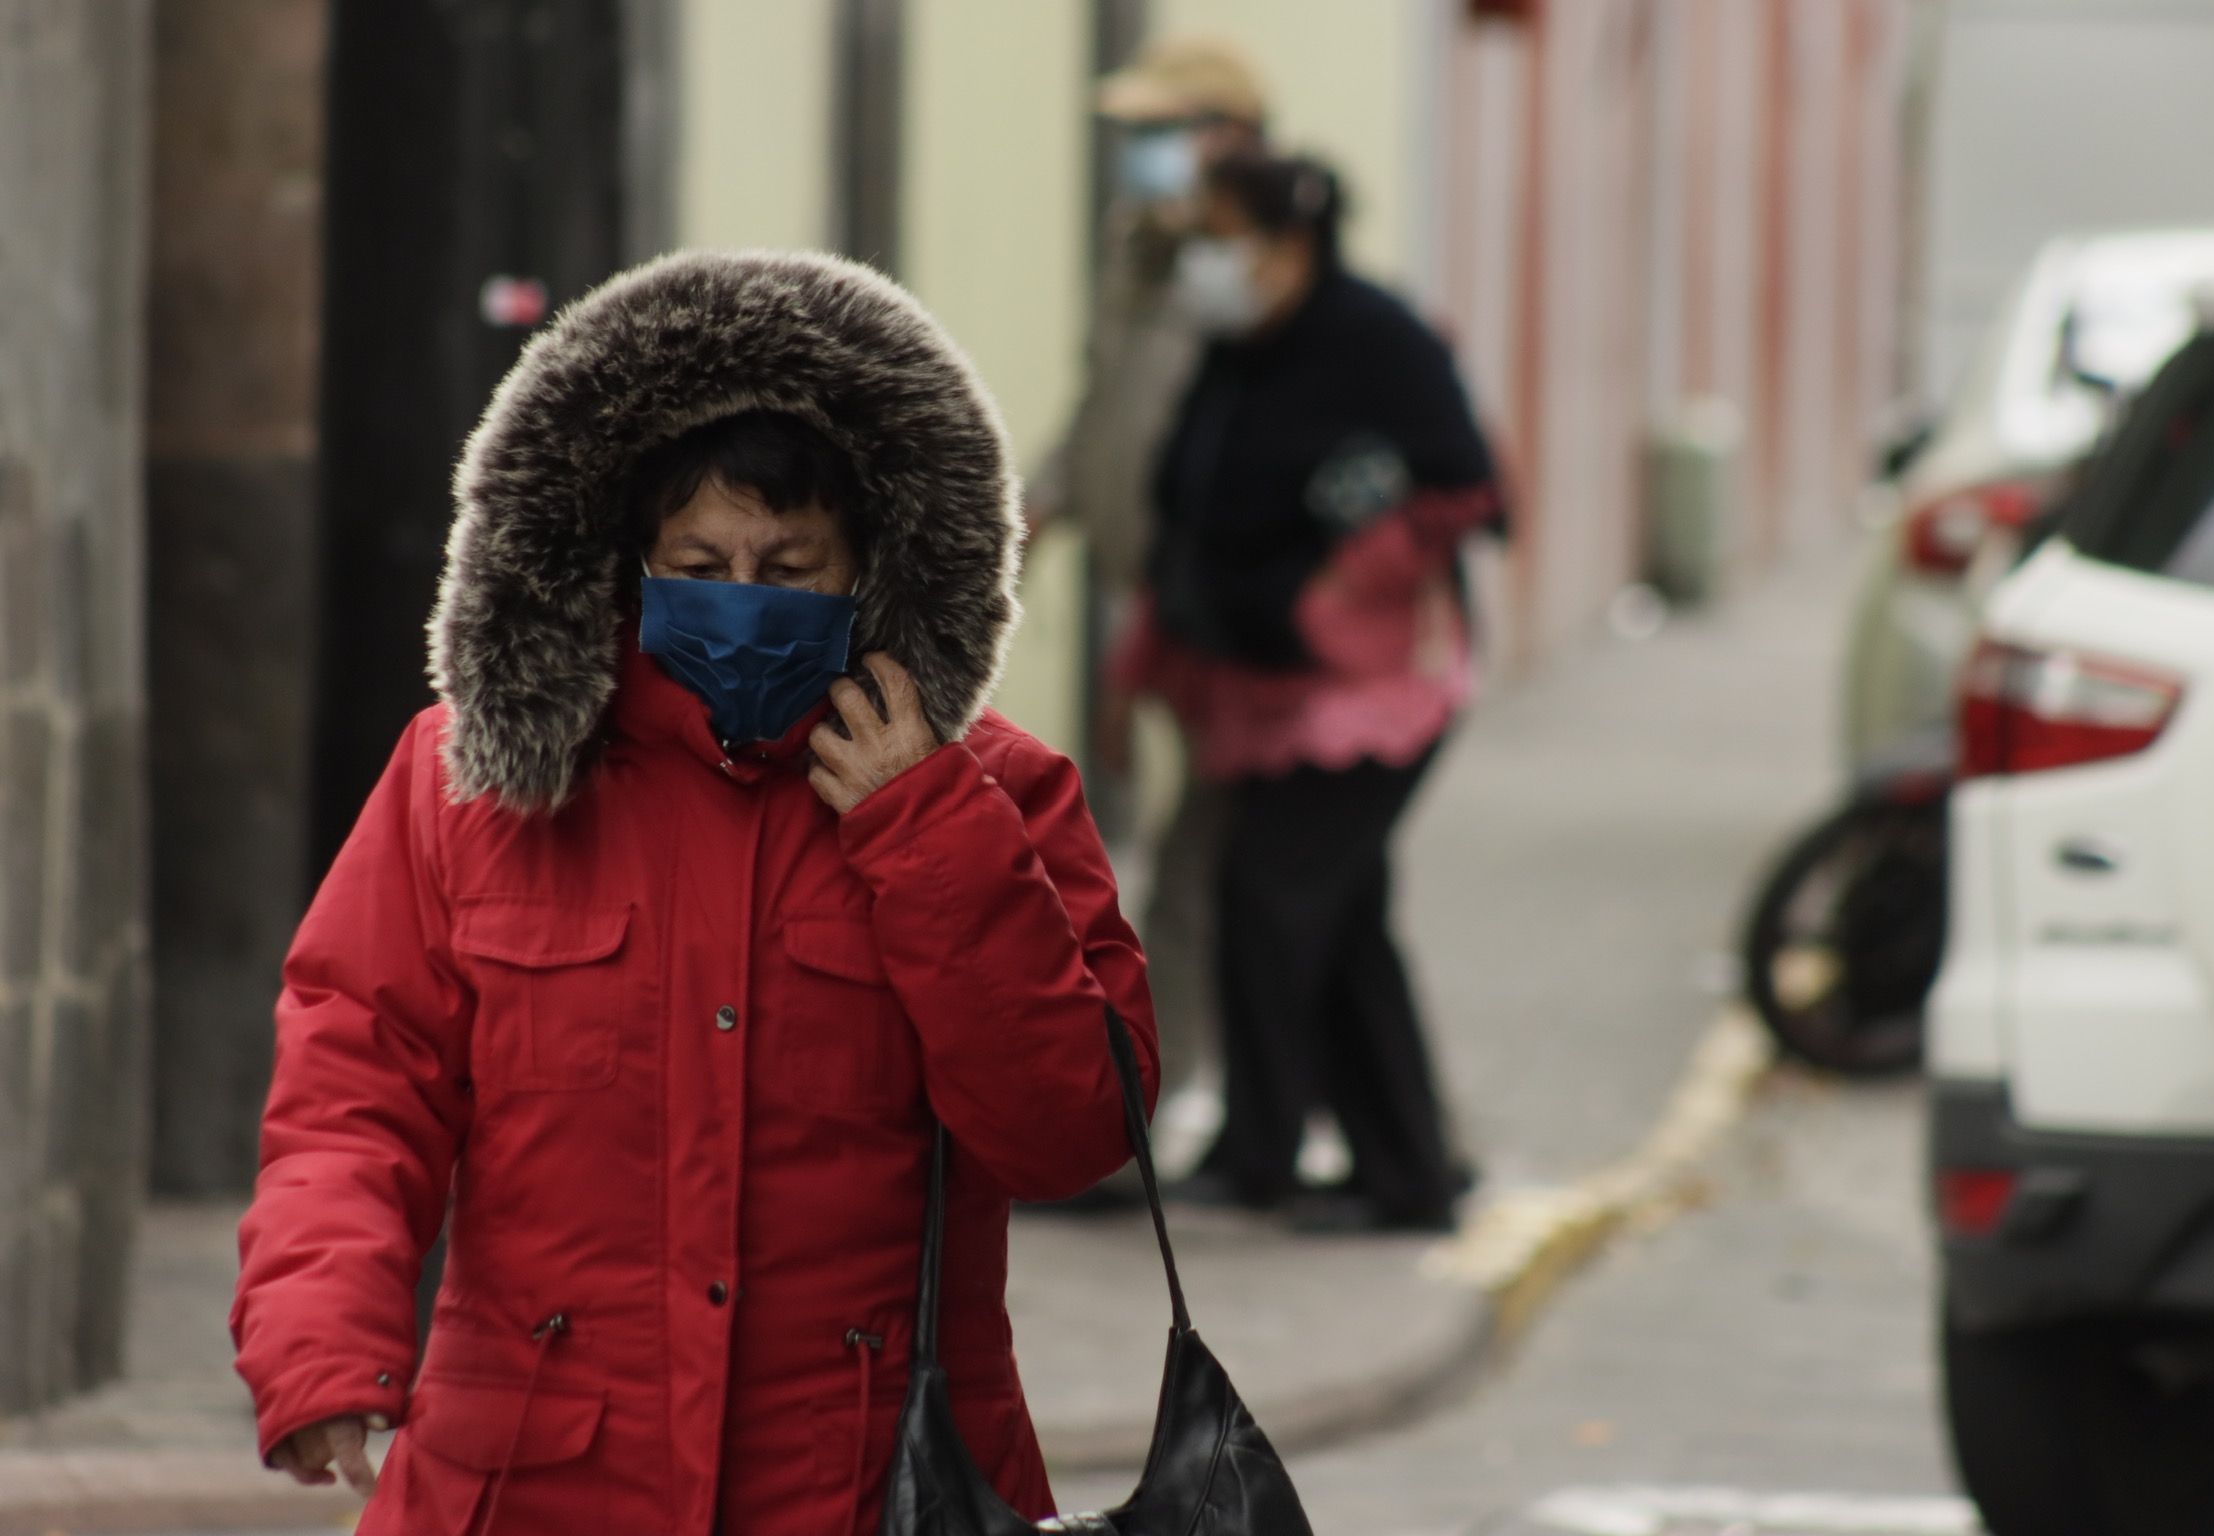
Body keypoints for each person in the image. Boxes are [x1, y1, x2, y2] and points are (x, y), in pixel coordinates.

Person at [229, 251, 1159, 1536]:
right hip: (536, 1486)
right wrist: (324, 1347)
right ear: (628, 566)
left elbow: (1070, 1134)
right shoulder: (472, 785)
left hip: (876, 1483)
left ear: (871, 571)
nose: (742, 602)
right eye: (701, 563)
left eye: (791, 568)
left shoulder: (997, 794)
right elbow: (353, 1090)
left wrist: (925, 829)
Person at [1103, 152, 1498, 1234]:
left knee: (1272, 900)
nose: (1208, 265)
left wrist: (1340, 587)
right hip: (1260, 683)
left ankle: (1265, 1150)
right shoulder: (1237, 352)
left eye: (1225, 240)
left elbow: (1468, 482)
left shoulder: (1376, 335)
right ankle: (1406, 1172)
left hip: (1369, 688)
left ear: (1290, 244)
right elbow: (1189, 506)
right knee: (1342, 918)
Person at [1031, 33, 1265, 1106]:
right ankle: (1268, 1118)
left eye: (1168, 132)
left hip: (1229, 625)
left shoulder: (1257, 271)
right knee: (1247, 879)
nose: (1148, 154)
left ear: (1232, 137)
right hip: (1157, 612)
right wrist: (1034, 508)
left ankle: (1162, 1114)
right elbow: (1103, 408)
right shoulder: (1140, 250)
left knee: (1210, 877)